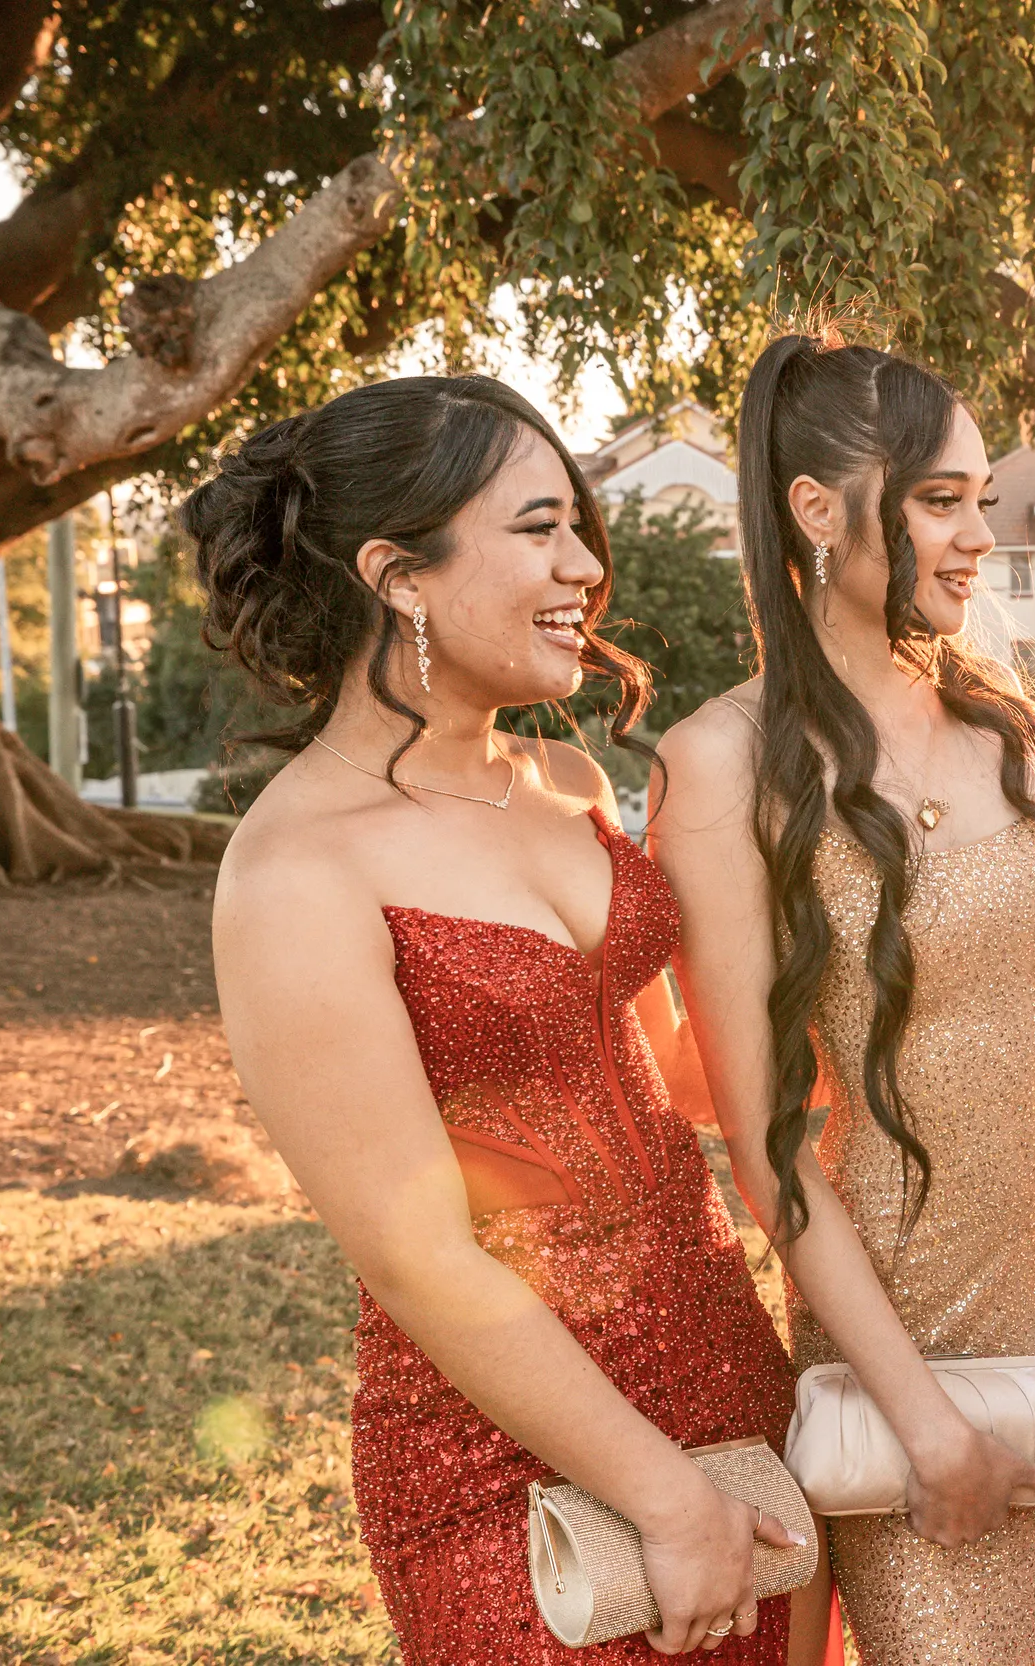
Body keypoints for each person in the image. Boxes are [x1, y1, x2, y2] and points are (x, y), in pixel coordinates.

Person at [197, 376, 805, 1664]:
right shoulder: (293, 874)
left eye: (581, 526)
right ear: (397, 575)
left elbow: (684, 1084)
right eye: (540, 529)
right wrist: (658, 1493)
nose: (587, 565)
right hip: (501, 1468)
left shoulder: (572, 781)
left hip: (734, 1397)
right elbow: (421, 1256)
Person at [649, 333, 1035, 1666]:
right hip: (907, 1326)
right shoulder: (720, 763)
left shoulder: (1006, 724)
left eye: (980, 497)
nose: (978, 533)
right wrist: (920, 1411)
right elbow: (763, 1144)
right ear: (817, 509)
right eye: (941, 499)